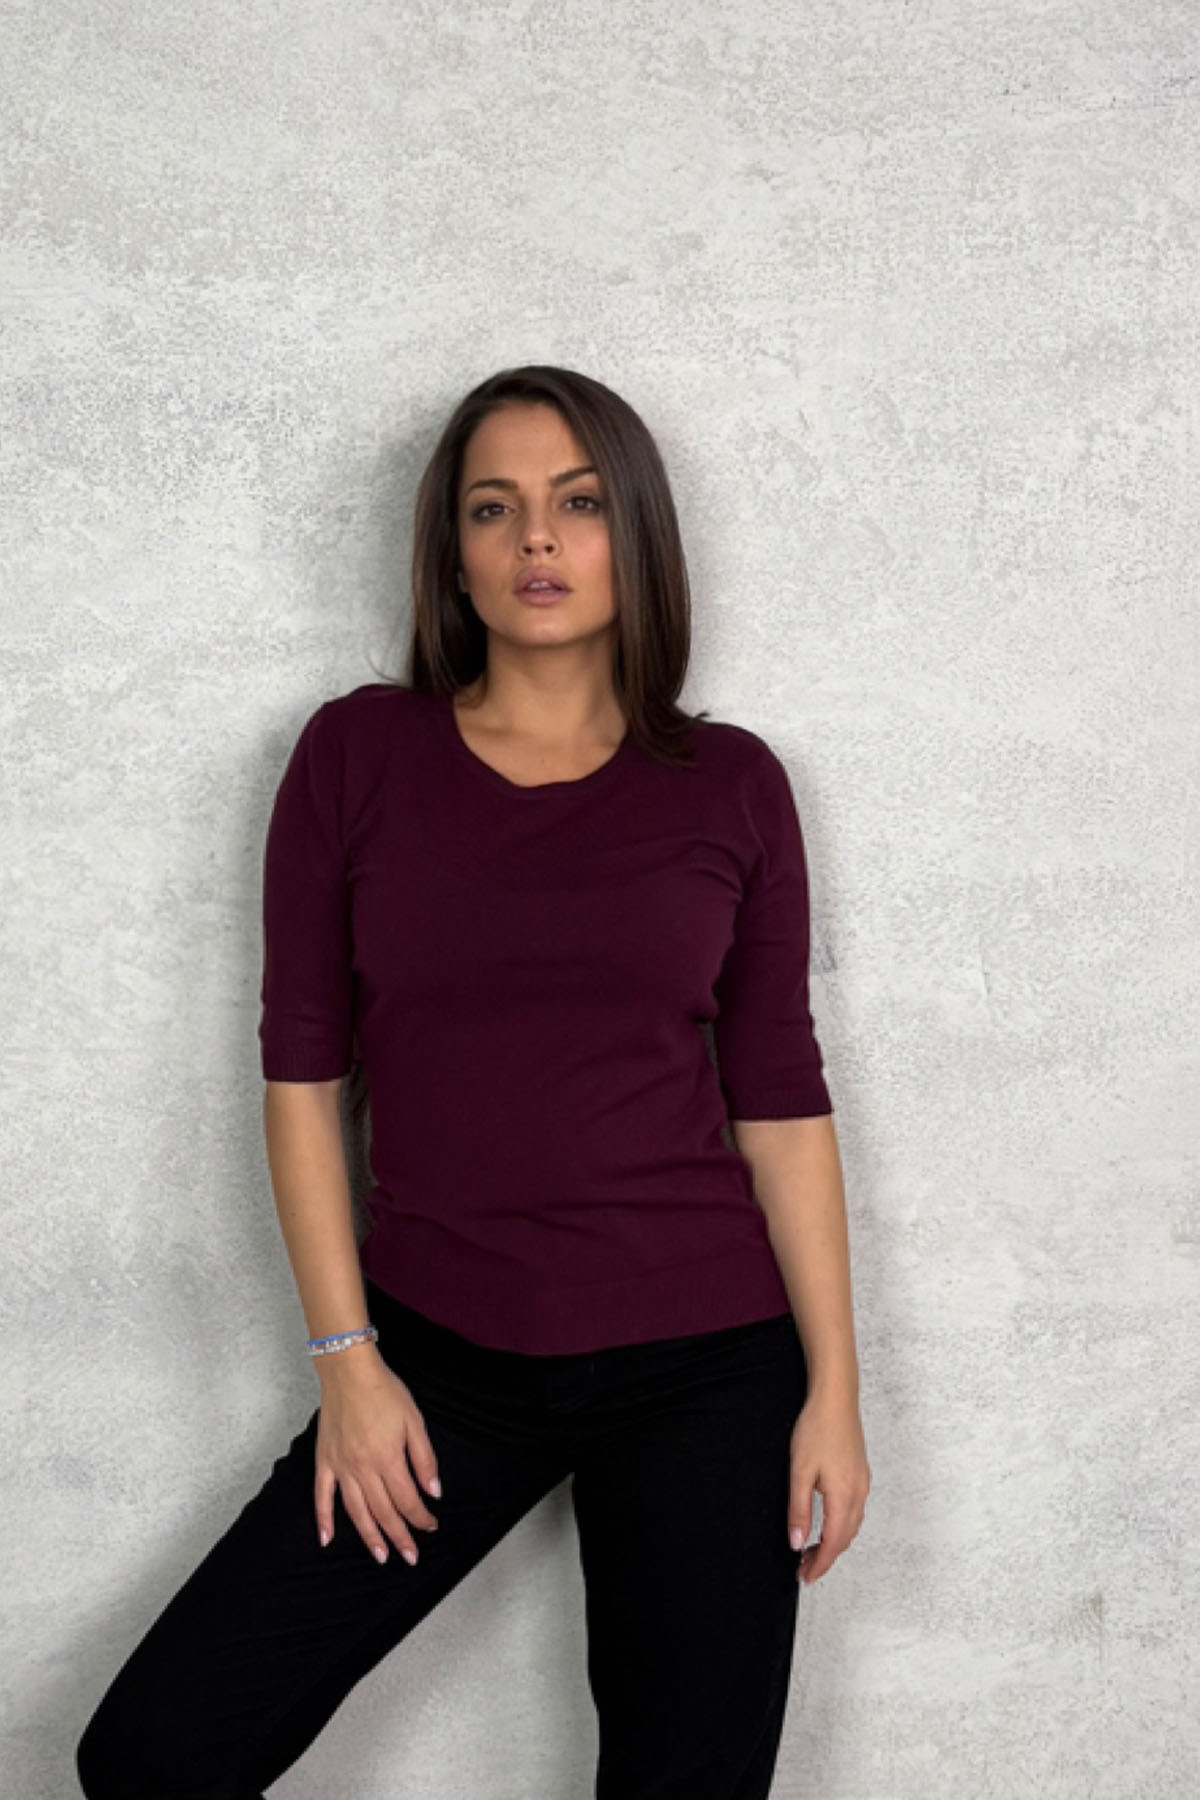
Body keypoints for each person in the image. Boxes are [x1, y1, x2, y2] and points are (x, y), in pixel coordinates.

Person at [75, 365, 871, 1799]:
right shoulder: (356, 756)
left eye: (578, 503)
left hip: (708, 1363)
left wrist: (836, 1392)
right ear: (452, 552)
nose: (537, 539)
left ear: (635, 534)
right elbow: (302, 1075)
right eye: (493, 509)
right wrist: (349, 1364)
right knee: (156, 1751)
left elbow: (780, 1097)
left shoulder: (732, 783)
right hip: (441, 1362)